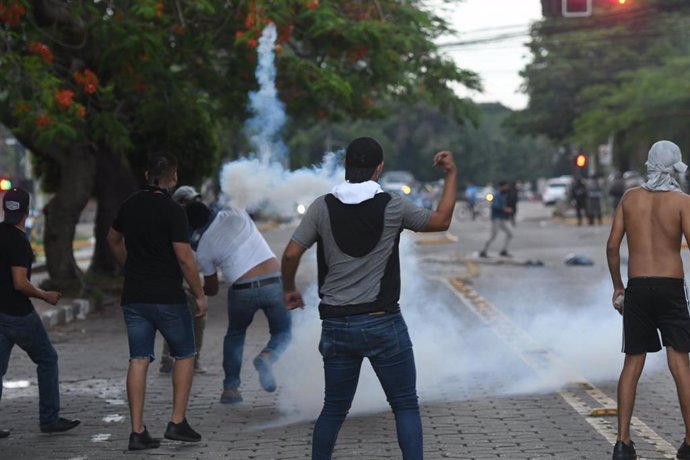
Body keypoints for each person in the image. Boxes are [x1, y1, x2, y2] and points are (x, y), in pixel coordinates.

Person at [281, 137, 457, 460]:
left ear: (345, 165)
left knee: (333, 410)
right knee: (404, 405)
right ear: (380, 168)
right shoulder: (394, 205)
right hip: (383, 323)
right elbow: (441, 221)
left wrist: (289, 288)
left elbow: (291, 253)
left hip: (336, 325)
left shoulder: (321, 206)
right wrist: (451, 174)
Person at [107, 154, 208, 451]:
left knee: (139, 359)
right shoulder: (174, 210)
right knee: (185, 353)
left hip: (135, 296)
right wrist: (199, 293)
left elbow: (112, 239)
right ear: (173, 177)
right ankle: (177, 422)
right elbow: (184, 256)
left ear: (146, 174)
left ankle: (137, 431)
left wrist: (129, 265)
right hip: (167, 297)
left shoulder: (129, 205)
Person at [606, 140, 690, 460]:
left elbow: (612, 247)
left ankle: (623, 443)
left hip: (638, 287)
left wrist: (618, 287)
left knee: (632, 362)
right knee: (680, 363)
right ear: (672, 169)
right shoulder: (683, 202)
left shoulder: (630, 199)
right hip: (671, 287)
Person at [183, 200, 291, 404]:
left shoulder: (203, 248)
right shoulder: (235, 213)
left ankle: (231, 389)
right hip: (274, 281)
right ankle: (268, 356)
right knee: (284, 331)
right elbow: (238, 196)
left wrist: (197, 291)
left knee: (235, 334)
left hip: (242, 289)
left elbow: (212, 289)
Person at [0, 188, 80, 437]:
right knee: (47, 359)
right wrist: (46, 295)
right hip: (19, 314)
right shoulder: (19, 241)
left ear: (5, 209)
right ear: (26, 212)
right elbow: (20, 282)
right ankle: (49, 418)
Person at [159, 186, 208, 375]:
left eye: (193, 201)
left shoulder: (197, 222)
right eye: (187, 201)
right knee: (175, 320)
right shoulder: (170, 223)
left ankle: (194, 359)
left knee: (199, 321)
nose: (191, 205)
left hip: (195, 277)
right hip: (177, 279)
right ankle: (167, 359)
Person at [479, 181, 513, 258]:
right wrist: (505, 209)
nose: (506, 188)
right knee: (493, 236)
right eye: (505, 186)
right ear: (501, 187)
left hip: (501, 219)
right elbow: (495, 206)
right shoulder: (497, 195)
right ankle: (483, 251)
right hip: (496, 219)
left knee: (509, 234)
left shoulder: (503, 195)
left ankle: (503, 250)